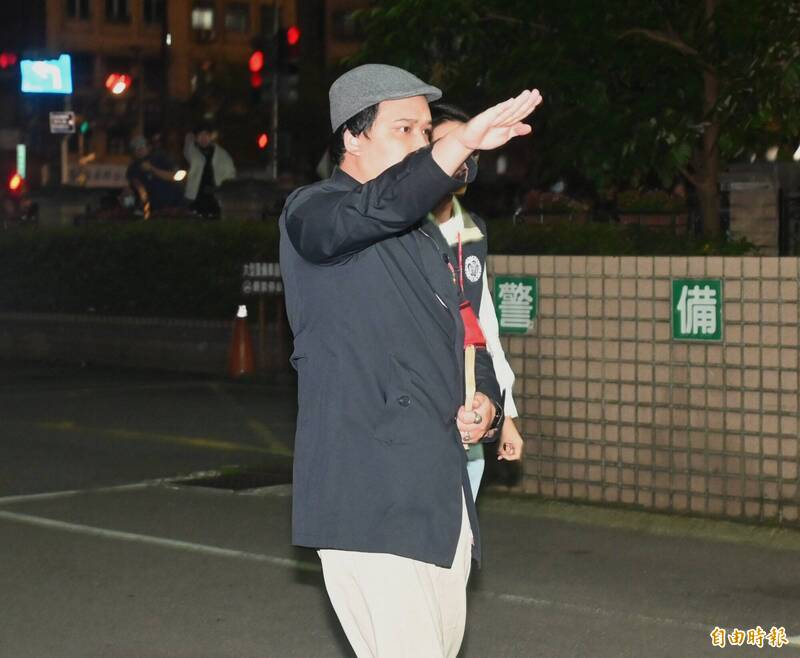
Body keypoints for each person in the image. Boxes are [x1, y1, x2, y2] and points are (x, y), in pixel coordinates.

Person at [279, 63, 542, 658]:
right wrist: (459, 144)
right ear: (353, 136)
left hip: (438, 494)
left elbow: (468, 339)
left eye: (426, 132)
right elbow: (381, 207)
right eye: (404, 129)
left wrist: (488, 406)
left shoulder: (426, 236)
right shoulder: (314, 211)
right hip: (370, 495)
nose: (421, 144)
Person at [429, 103, 525, 501]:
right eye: (449, 144)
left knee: (460, 532)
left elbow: (484, 325)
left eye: (470, 149)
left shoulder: (472, 231)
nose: (461, 157)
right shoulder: (401, 232)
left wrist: (505, 414)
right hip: (422, 415)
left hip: (470, 411)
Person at [183, 122, 236, 218]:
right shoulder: (193, 151)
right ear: (196, 138)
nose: (203, 138)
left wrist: (224, 189)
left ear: (211, 136)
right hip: (195, 196)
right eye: (200, 135)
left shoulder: (222, 155)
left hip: (215, 196)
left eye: (206, 135)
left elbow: (230, 174)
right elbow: (187, 144)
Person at [126, 135, 185, 219]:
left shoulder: (161, 157)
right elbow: (140, 189)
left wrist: (152, 169)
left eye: (142, 146)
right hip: (154, 209)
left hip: (174, 204)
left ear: (148, 147)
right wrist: (145, 208)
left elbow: (174, 176)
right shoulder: (133, 168)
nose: (139, 150)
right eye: (135, 148)